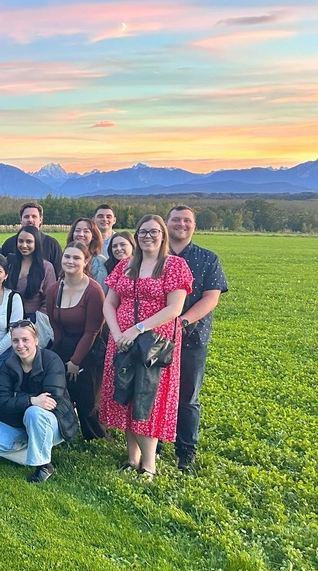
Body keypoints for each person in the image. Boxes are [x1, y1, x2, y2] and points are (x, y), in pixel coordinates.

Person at [100, 215, 193, 481]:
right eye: (142, 232)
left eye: (153, 232)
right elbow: (110, 304)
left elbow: (174, 308)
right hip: (122, 341)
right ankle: (132, 459)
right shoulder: (126, 265)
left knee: (146, 398)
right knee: (126, 394)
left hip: (154, 345)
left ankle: (149, 465)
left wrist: (138, 328)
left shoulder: (174, 265)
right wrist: (117, 333)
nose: (147, 236)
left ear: (163, 235)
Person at [167, 205, 228, 471]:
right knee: (154, 392)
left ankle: (186, 450)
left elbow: (211, 298)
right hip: (155, 338)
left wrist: (181, 322)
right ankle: (155, 443)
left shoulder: (207, 258)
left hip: (192, 338)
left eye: (186, 220)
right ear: (166, 224)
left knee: (188, 396)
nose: (181, 224)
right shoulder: (153, 256)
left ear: (194, 225)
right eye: (175, 220)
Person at [0, 320, 79, 482]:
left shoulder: (51, 360)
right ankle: (38, 450)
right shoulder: (8, 365)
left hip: (55, 421)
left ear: (35, 340)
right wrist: (31, 400)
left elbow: (51, 399)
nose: (20, 345)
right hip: (20, 420)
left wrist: (17, 398)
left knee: (34, 412)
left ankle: (44, 466)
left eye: (25, 340)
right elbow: (0, 400)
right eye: (15, 341)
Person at [45, 242, 107, 440]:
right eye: (67, 257)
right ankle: (63, 430)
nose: (70, 261)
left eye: (76, 258)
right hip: (63, 342)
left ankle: (94, 435)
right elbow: (54, 323)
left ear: (86, 261)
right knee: (59, 390)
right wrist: (59, 353)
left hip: (89, 347)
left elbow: (92, 330)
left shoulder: (94, 291)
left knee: (87, 398)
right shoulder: (54, 289)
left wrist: (75, 361)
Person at [6, 226, 57, 318]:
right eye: (20, 241)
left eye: (29, 242)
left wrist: (34, 320)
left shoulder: (46, 267)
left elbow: (49, 300)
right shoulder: (10, 263)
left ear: (36, 243)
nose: (24, 245)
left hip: (34, 320)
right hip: (8, 316)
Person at [0, 202, 63, 274]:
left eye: (34, 216)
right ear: (21, 220)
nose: (30, 220)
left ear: (40, 220)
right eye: (26, 217)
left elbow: (59, 272)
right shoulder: (9, 244)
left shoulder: (52, 244)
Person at [67, 218, 107, 287]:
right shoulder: (66, 258)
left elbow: (101, 290)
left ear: (93, 236)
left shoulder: (99, 262)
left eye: (86, 231)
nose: (81, 234)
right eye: (77, 231)